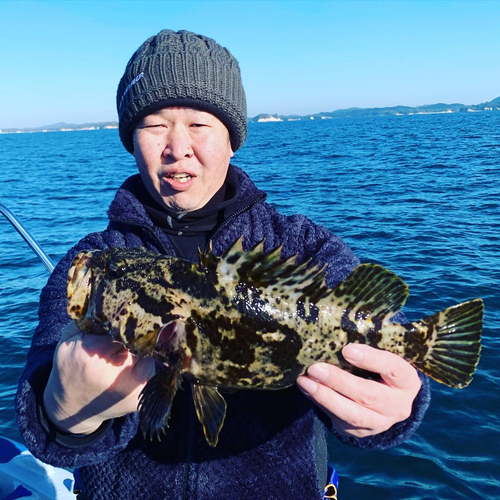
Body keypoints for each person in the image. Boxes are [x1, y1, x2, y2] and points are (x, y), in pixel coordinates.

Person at [16, 30, 429, 500]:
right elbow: (44, 424)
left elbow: (387, 348)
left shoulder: (302, 248)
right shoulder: (93, 264)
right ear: (131, 140)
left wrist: (392, 406)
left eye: (200, 124)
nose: (177, 146)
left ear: (232, 139)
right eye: (153, 124)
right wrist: (66, 411)